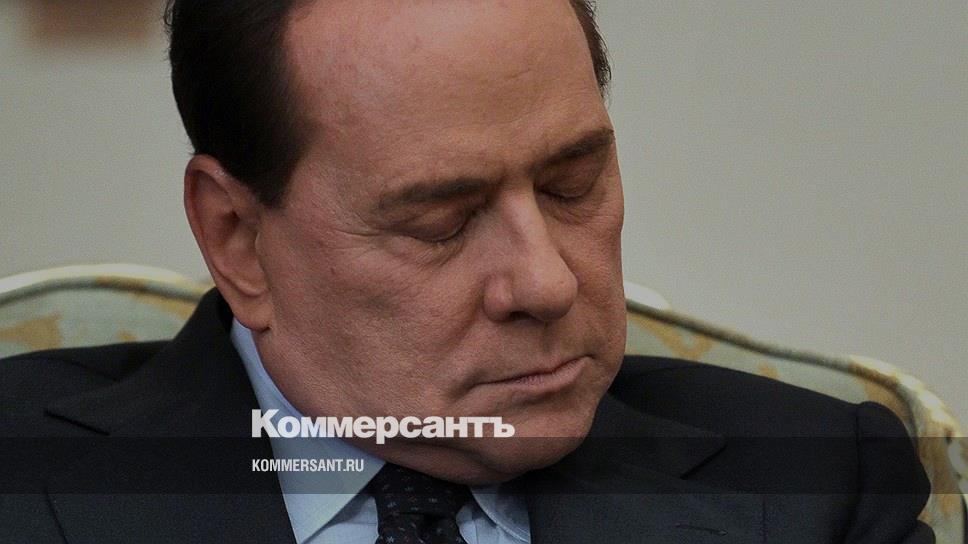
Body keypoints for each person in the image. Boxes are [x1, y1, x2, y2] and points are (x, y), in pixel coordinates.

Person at [0, 1, 933, 543]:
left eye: (572, 185)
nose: (547, 283)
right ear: (237, 237)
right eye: (441, 224)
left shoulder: (813, 485)